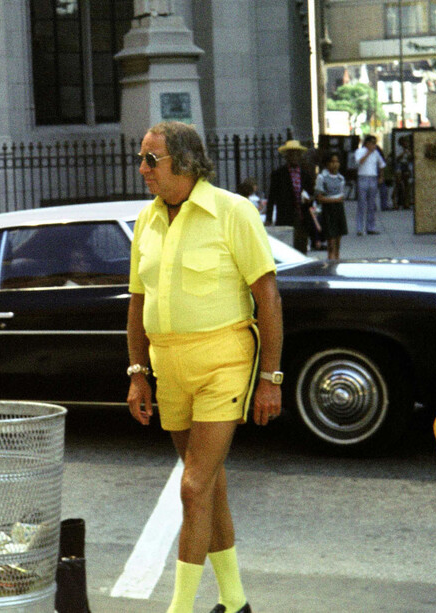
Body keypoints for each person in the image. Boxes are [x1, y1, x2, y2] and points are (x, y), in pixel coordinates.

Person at [127, 121, 283, 613]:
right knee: (207, 485)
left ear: (185, 162)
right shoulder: (146, 221)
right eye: (141, 157)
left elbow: (268, 298)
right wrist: (137, 372)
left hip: (224, 363)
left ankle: (180, 609)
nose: (142, 168)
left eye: (152, 159)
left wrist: (270, 378)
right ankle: (235, 602)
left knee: (193, 486)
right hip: (168, 367)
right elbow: (137, 302)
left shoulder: (232, 212)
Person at [267, 139, 317, 253]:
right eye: (291, 153)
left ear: (300, 156)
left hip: (302, 217)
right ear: (286, 156)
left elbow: (312, 194)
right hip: (285, 216)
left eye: (296, 153)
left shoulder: (306, 174)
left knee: (301, 248)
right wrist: (269, 218)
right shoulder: (278, 174)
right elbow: (271, 197)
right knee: (286, 250)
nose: (294, 156)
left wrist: (310, 200)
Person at [315, 152, 348, 260]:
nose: (335, 164)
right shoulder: (322, 177)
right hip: (328, 210)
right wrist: (334, 199)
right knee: (331, 240)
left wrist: (338, 200)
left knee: (338, 238)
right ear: (327, 164)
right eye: (332, 162)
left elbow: (342, 195)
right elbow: (319, 198)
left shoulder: (341, 178)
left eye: (337, 162)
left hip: (338, 209)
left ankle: (337, 258)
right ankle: (331, 259)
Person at [354, 134, 386, 235]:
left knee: (371, 204)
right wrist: (368, 153)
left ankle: (370, 227)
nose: (374, 146)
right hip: (362, 177)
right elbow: (359, 162)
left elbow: (382, 165)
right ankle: (360, 228)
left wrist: (381, 176)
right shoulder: (360, 151)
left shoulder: (376, 153)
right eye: (372, 143)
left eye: (375, 144)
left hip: (373, 178)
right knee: (361, 204)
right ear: (367, 143)